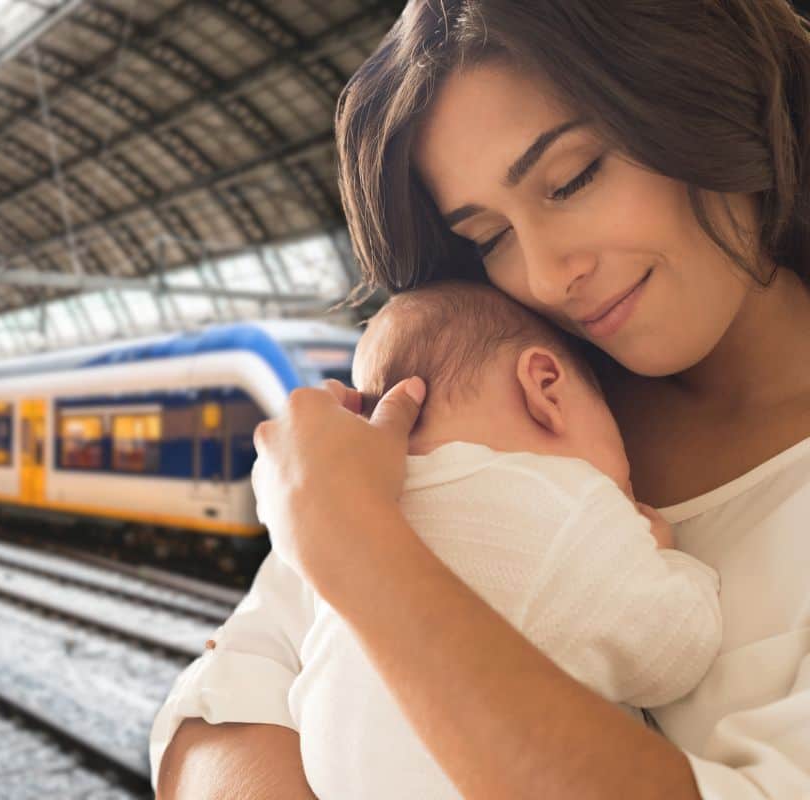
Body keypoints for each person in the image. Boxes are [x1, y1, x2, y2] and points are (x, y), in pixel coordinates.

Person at [152, 1, 810, 798]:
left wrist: (361, 553)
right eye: (488, 236)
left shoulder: (387, 505)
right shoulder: (491, 400)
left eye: (571, 179)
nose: (543, 275)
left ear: (703, 90)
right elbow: (217, 712)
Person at [285, 284, 722, 798]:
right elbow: (671, 655)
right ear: (546, 387)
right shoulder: (564, 502)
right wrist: (669, 560)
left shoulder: (361, 513)